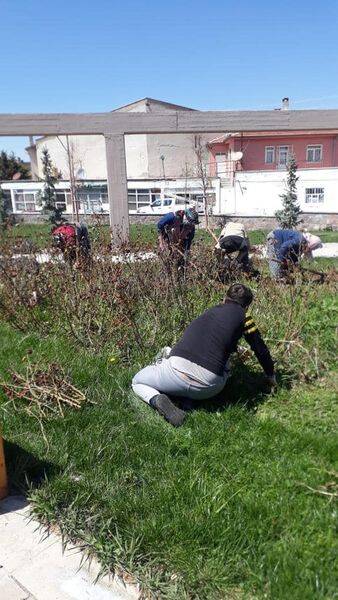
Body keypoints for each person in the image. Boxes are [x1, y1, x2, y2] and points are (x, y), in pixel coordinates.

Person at [132, 283, 275, 427]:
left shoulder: (210, 311)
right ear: (247, 307)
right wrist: (271, 376)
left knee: (137, 381)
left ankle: (157, 397)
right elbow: (260, 349)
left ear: (225, 299)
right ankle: (188, 400)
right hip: (209, 387)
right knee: (225, 359)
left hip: (174, 374)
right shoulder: (244, 317)